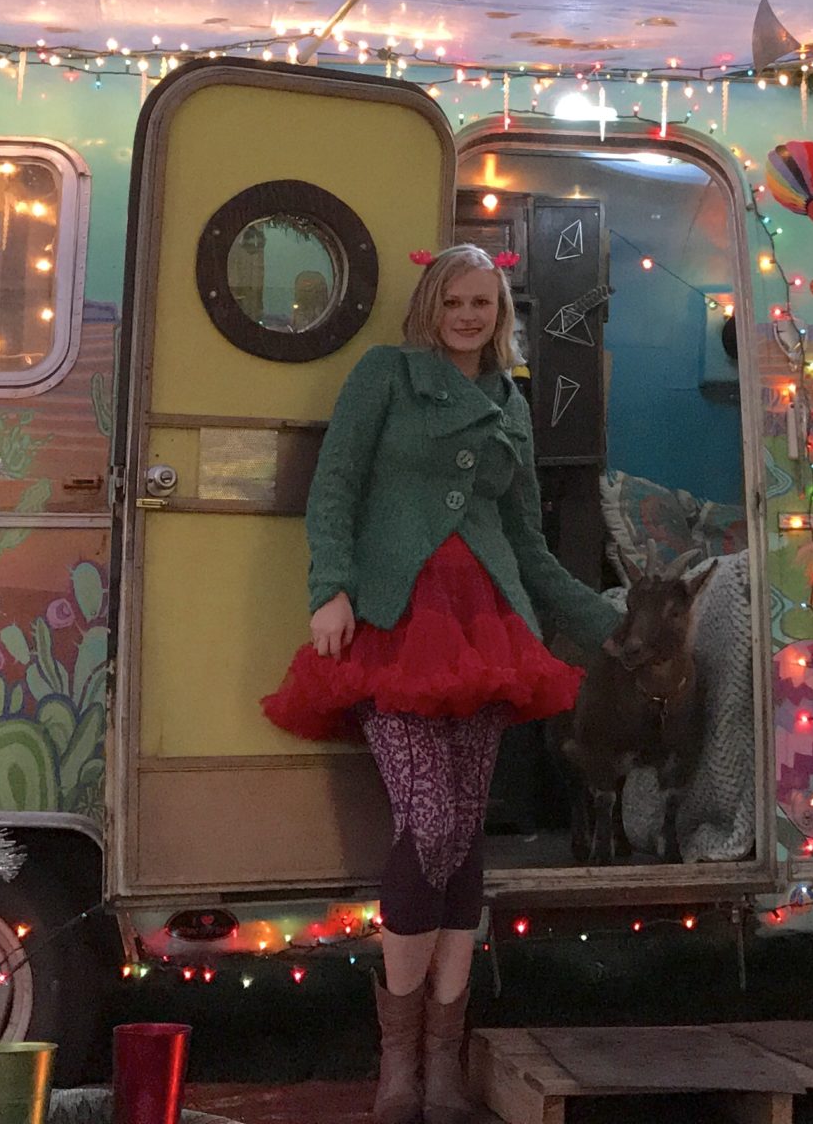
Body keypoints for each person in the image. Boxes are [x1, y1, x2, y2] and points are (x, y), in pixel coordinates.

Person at [263, 244, 618, 1124]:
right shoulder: (386, 374)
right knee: (428, 824)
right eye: (456, 302)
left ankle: (442, 1067)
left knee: (463, 837)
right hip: (397, 625)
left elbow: (528, 546)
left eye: (484, 305)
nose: (469, 317)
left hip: (488, 631)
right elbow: (335, 486)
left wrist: (613, 625)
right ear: (432, 304)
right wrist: (329, 589)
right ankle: (396, 1068)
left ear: (502, 315)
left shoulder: (511, 402)